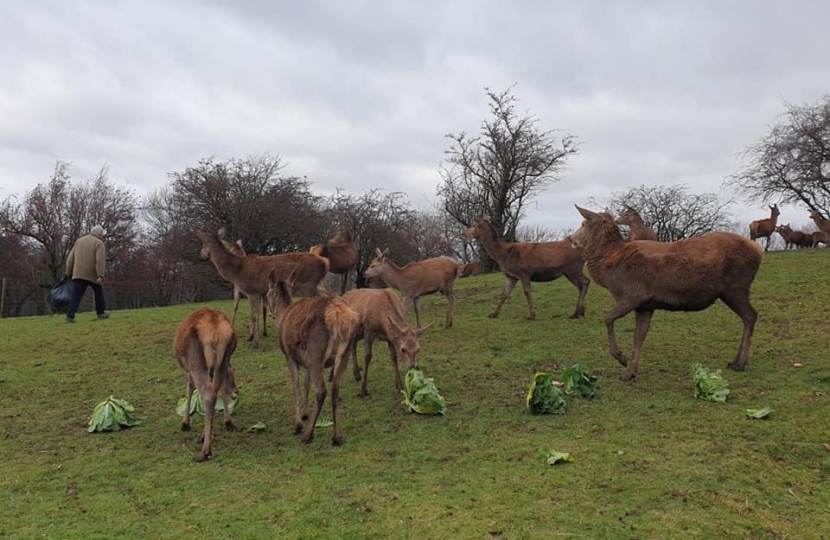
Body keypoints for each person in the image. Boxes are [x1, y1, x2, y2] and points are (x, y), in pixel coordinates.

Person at [64, 225, 110, 322]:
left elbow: (70, 257)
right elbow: (100, 260)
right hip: (92, 273)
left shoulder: (79, 241)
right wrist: (100, 275)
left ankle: (69, 316)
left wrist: (68, 271)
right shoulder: (99, 243)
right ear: (99, 234)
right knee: (98, 292)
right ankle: (100, 312)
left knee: (76, 295)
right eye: (102, 234)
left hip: (78, 273)